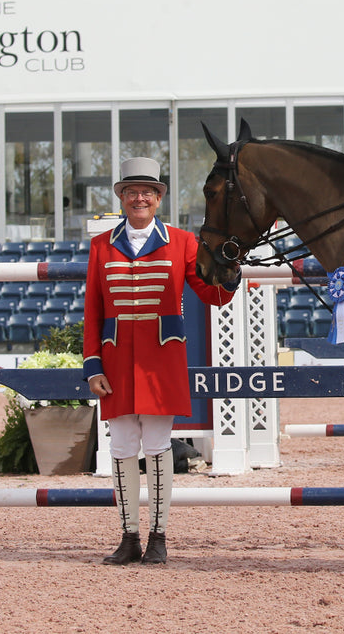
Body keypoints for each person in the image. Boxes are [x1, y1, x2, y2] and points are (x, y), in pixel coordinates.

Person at [83, 157, 240, 565]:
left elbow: (209, 294)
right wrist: (92, 365)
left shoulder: (183, 241)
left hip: (161, 359)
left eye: (147, 192)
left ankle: (159, 536)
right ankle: (128, 536)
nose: (140, 198)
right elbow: (93, 310)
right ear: (121, 198)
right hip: (115, 361)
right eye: (132, 192)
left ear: (158, 199)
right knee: (120, 447)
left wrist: (230, 280)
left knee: (156, 445)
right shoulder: (101, 246)